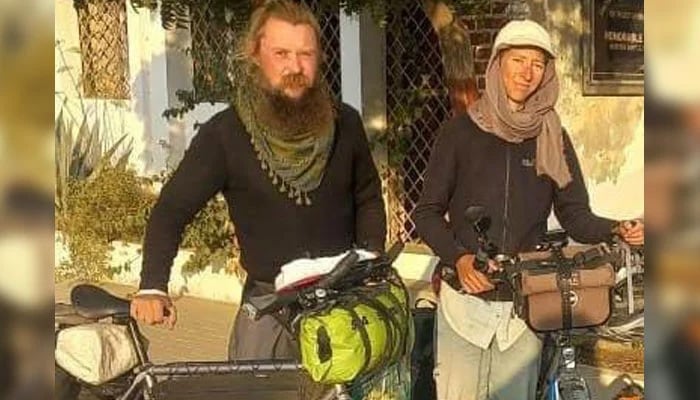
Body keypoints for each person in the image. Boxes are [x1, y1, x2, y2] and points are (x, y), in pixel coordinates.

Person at [130, 0, 386, 362]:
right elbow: (172, 209)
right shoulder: (226, 134)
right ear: (255, 54)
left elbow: (368, 196)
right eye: (281, 53)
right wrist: (153, 286)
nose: (295, 67)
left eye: (305, 54)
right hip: (269, 313)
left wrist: (371, 258)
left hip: (343, 307)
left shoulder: (346, 123)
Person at [413, 19, 644, 400]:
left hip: (526, 306)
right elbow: (427, 213)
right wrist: (460, 258)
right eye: (518, 59)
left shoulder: (551, 135)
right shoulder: (459, 133)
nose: (527, 72)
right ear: (497, 64)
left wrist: (618, 228)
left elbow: (575, 216)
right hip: (463, 306)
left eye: (538, 63)